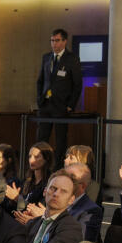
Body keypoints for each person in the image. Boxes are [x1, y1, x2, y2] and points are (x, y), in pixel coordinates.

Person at [35, 28, 82, 162]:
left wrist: (70, 105)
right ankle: (40, 164)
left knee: (60, 139)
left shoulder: (72, 59)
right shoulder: (46, 57)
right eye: (52, 41)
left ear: (64, 41)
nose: (54, 44)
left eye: (57, 41)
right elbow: (40, 81)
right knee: (41, 138)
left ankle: (58, 167)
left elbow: (77, 84)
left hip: (62, 106)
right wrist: (39, 99)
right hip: (45, 104)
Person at [5, 142, 54, 213]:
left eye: (37, 157)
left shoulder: (50, 182)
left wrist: (17, 198)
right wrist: (12, 200)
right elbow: (19, 208)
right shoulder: (27, 180)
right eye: (30, 156)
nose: (31, 160)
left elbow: (38, 211)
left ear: (46, 158)